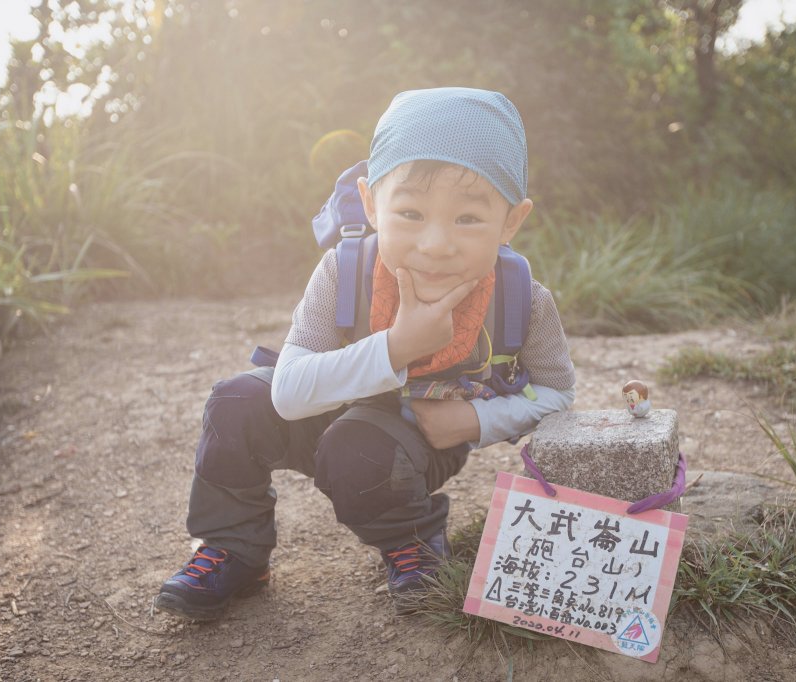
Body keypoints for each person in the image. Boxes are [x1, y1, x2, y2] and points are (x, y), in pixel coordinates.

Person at [154, 87, 577, 620]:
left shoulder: (523, 299)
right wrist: (398, 346)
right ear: (372, 203)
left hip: (417, 434)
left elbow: (558, 391)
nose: (436, 243)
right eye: (410, 212)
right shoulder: (344, 271)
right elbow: (287, 393)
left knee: (359, 446)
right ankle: (234, 548)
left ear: (511, 221)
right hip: (325, 404)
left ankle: (411, 541)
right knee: (236, 401)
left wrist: (473, 419)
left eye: (468, 218)